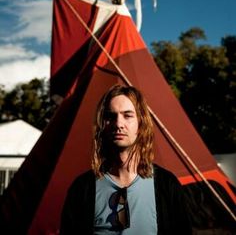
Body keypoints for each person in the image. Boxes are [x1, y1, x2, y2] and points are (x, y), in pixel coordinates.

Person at [60, 84, 192, 234]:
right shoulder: (82, 189)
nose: (118, 124)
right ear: (102, 125)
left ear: (141, 124)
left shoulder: (166, 185)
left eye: (128, 115)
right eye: (110, 116)